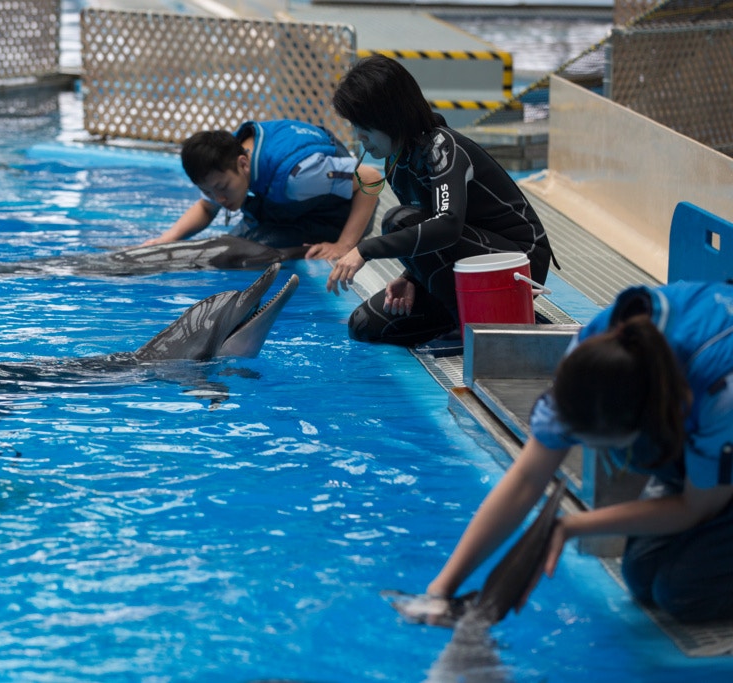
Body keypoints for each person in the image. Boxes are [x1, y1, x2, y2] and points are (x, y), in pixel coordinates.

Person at [426, 281, 733, 624]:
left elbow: (695, 508)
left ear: (649, 420)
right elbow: (526, 479)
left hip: (719, 414)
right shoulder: (594, 352)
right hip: (695, 419)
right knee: (642, 577)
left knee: (682, 593)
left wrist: (572, 525)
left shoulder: (720, 391)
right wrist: (441, 588)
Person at [326, 55, 554, 347]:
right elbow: (431, 226)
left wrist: (365, 250)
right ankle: (492, 316)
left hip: (521, 262)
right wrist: (411, 277)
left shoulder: (442, 148)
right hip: (472, 263)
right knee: (365, 325)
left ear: (389, 117)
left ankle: (471, 323)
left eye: (364, 126)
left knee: (397, 221)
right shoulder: (398, 160)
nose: (360, 136)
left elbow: (447, 224)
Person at [142, 120, 382, 261]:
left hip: (340, 213)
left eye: (221, 188)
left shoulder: (298, 176)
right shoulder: (225, 159)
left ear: (243, 164)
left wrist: (344, 245)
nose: (219, 198)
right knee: (227, 248)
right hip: (298, 206)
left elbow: (371, 179)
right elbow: (206, 207)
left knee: (255, 252)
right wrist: (167, 239)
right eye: (209, 191)